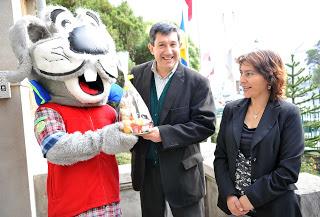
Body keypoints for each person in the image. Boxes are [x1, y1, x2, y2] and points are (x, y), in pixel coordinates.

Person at [130, 22, 216, 217]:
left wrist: (164, 134)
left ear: (180, 46)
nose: (168, 51)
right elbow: (128, 109)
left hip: (183, 174)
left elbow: (206, 124)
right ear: (151, 48)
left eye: (173, 44)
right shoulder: (136, 75)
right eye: (161, 45)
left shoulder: (197, 82)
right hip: (147, 171)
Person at [214, 49, 304, 217]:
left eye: (249, 73)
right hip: (236, 208)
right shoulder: (231, 110)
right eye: (241, 73)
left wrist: (252, 198)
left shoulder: (288, 113)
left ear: (269, 77)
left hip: (276, 208)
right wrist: (229, 194)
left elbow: (289, 170)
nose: (242, 80)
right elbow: (220, 157)